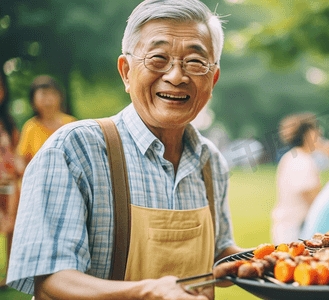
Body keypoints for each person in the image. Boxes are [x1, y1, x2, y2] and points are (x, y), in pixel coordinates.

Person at [7, 1, 243, 299]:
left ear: (213, 79)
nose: (176, 76)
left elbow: (219, 253)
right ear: (126, 72)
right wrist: (147, 291)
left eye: (195, 62)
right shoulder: (75, 149)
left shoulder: (211, 161)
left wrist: (269, 259)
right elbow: (52, 275)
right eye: (158, 58)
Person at [271, 113, 323, 244]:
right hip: (295, 231)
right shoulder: (302, 161)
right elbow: (311, 197)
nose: (320, 133)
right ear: (308, 134)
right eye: (316, 130)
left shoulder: (293, 156)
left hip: (288, 228)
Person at [16, 75, 77, 165]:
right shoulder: (31, 126)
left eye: (53, 93)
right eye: (44, 94)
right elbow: (20, 158)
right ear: (33, 101)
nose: (49, 99)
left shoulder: (71, 123)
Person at [0, 68, 24, 288]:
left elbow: (15, 150)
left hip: (8, 181)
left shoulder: (8, 120)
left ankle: (9, 276)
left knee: (11, 227)